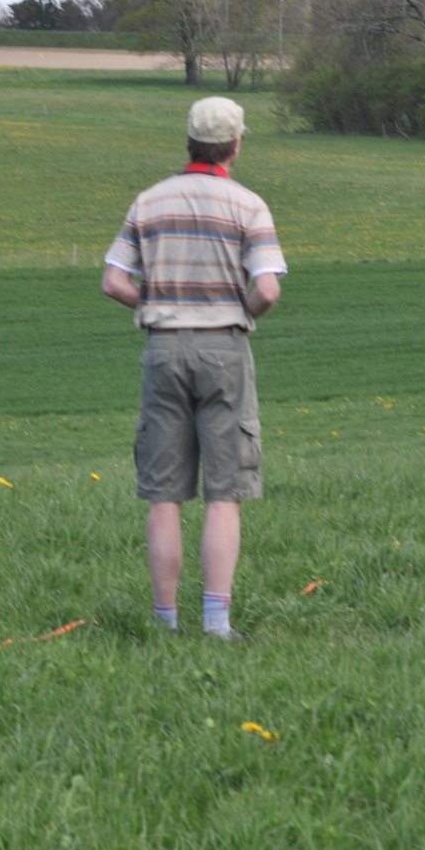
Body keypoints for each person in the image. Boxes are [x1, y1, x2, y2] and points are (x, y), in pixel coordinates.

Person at [101, 97, 285, 641]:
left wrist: (157, 305)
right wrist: (237, 313)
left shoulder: (149, 200)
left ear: (189, 140)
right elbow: (267, 290)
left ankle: (164, 623)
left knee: (164, 495)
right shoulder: (249, 204)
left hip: (162, 349)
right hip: (224, 349)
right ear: (236, 145)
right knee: (224, 492)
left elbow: (113, 282)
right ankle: (216, 624)